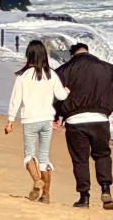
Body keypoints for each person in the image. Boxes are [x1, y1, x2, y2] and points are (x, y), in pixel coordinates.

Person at [55, 42, 113, 209]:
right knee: (102, 155)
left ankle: (84, 197)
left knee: (80, 159)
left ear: (72, 55)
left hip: (74, 120)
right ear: (87, 51)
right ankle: (105, 189)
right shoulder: (107, 68)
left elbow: (56, 95)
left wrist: (55, 116)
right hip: (100, 119)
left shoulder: (63, 70)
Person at [5, 40, 69, 203]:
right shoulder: (51, 74)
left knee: (29, 156)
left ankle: (36, 180)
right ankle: (46, 195)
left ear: (29, 55)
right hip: (47, 119)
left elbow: (15, 99)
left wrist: (10, 120)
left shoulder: (23, 76)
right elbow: (61, 96)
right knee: (44, 158)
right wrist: (67, 91)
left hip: (30, 119)